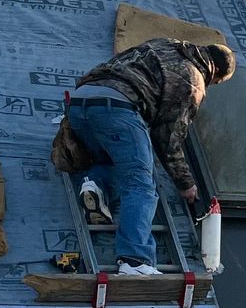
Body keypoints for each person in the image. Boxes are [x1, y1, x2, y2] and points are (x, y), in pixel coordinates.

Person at [67, 37, 236, 276]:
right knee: (141, 185)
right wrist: (185, 182)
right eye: (216, 82)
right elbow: (169, 137)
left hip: (80, 102)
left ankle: (94, 184)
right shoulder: (194, 80)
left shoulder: (165, 44)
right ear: (215, 71)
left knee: (114, 160)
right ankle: (134, 261)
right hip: (118, 110)